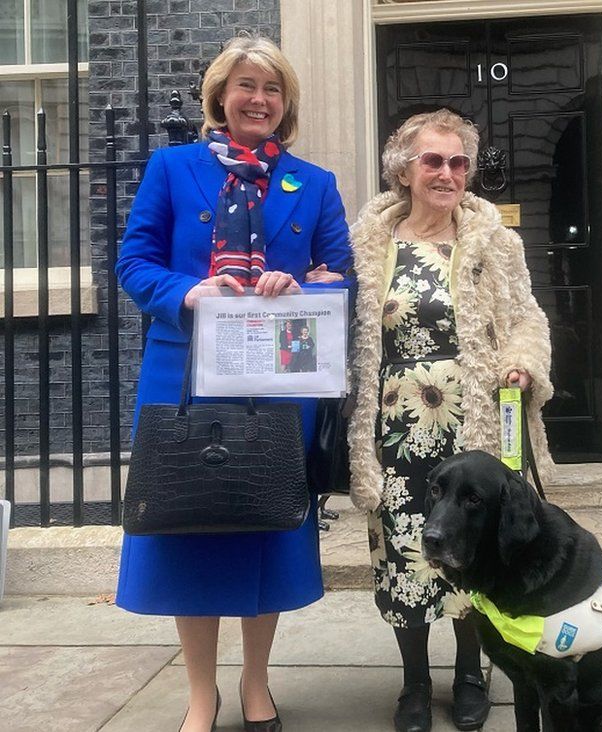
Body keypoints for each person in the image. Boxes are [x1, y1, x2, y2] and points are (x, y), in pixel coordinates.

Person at [114, 35, 350, 732]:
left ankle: (255, 683)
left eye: (273, 89)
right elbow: (134, 262)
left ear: (286, 104)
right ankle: (199, 693)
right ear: (220, 95)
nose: (259, 99)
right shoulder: (172, 167)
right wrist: (188, 292)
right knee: (191, 526)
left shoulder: (314, 183)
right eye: (246, 85)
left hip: (277, 381)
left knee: (264, 526)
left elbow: (342, 275)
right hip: (183, 377)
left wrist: (300, 281)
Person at [345, 108, 554, 732]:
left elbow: (528, 320)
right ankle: (413, 684)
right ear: (402, 170)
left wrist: (520, 364)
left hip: (472, 429)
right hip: (396, 434)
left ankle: (470, 674)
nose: (447, 173)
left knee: (468, 552)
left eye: (458, 162)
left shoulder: (496, 242)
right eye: (433, 160)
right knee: (403, 557)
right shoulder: (367, 244)